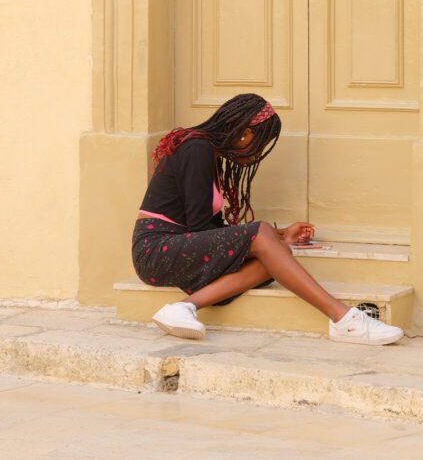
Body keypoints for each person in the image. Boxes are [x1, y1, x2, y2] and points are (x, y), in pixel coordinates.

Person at [133, 93, 404, 345]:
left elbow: (209, 232)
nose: (258, 153)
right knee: (262, 235)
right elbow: (202, 229)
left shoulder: (207, 153)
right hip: (157, 250)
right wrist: (264, 237)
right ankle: (343, 318)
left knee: (272, 260)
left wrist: (279, 237)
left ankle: (184, 307)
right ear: (245, 134)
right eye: (260, 142)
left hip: (177, 247)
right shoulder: (197, 149)